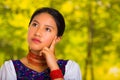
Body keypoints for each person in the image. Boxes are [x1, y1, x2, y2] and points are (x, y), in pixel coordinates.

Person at [0, 7, 82, 80]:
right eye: (35, 24)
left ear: (57, 39)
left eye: (47, 29)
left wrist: (54, 67)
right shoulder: (10, 68)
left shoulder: (70, 68)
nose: (37, 33)